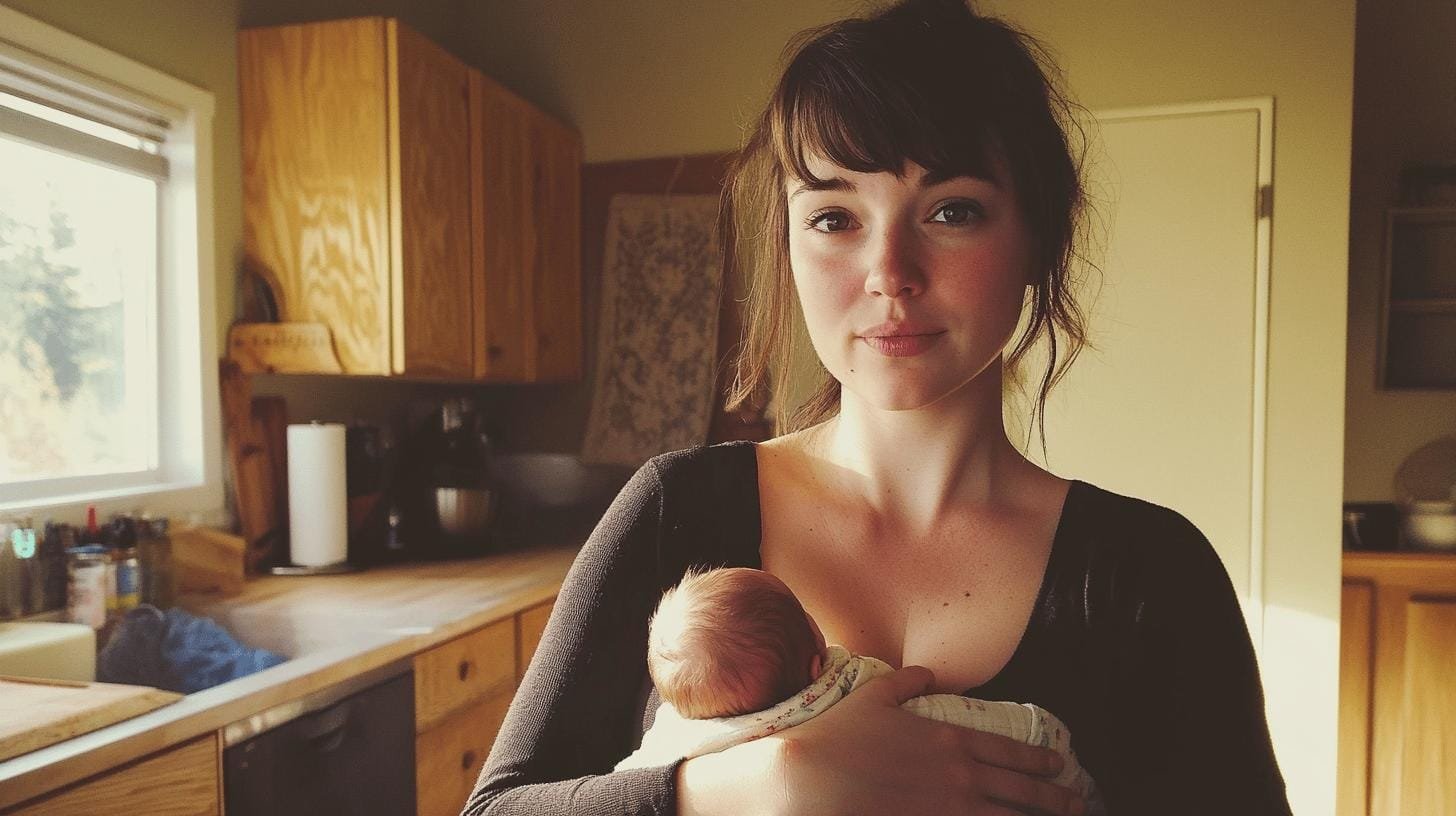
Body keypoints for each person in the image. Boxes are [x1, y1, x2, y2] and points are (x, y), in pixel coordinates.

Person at [464, 0, 1291, 814]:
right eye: (833, 217)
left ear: (1039, 233)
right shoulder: (671, 512)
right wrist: (759, 788)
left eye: (951, 210)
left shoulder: (1154, 576)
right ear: (788, 245)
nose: (889, 272)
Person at [614, 567, 1104, 814]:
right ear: (814, 665)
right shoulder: (843, 684)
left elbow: (627, 781)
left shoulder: (677, 738)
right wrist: (778, 775)